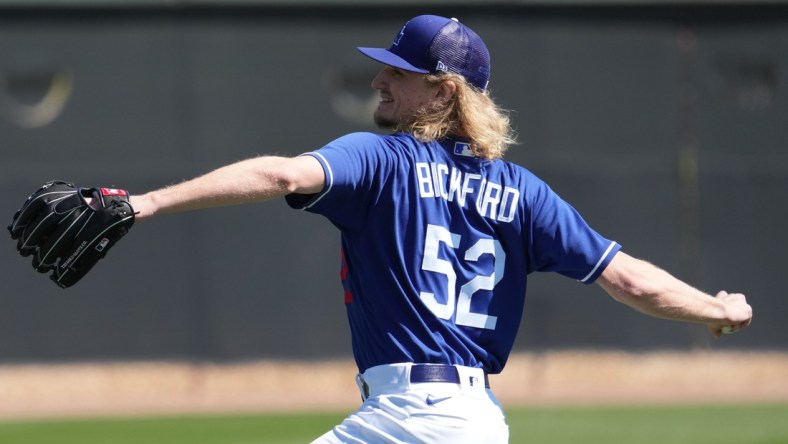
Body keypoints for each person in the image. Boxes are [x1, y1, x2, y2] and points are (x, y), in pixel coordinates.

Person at [129, 15, 752, 444]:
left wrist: (147, 203)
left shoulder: (381, 159)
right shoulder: (521, 190)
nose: (379, 80)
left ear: (442, 90)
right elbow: (626, 278)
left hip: (412, 416)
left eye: (397, 72)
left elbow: (285, 175)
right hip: (477, 421)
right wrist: (710, 307)